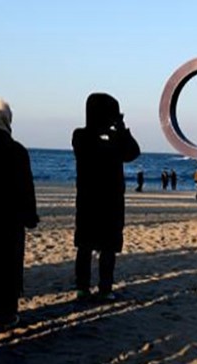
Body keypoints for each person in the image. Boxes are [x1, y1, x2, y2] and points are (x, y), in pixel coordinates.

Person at [72, 92, 140, 302]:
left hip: (110, 202)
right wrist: (114, 133)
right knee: (85, 246)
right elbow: (93, 147)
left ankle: (105, 287)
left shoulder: (114, 138)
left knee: (108, 248)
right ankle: (83, 287)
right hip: (90, 200)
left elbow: (133, 153)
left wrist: (121, 128)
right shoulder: (82, 136)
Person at [0, 98, 38, 327]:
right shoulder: (16, 150)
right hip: (10, 218)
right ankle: (6, 313)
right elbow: (26, 186)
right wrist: (30, 215)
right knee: (9, 265)